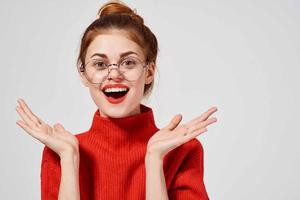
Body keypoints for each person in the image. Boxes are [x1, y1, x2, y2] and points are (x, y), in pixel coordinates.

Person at [15, 1, 218, 199]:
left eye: (128, 62)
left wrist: (154, 160)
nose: (114, 74)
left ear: (149, 72)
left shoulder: (182, 150)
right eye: (100, 64)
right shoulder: (59, 151)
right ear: (84, 74)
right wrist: (70, 159)